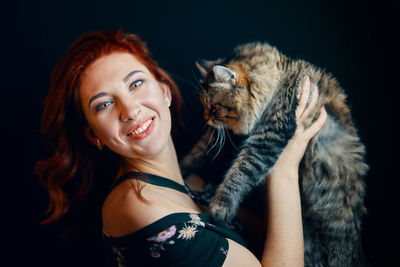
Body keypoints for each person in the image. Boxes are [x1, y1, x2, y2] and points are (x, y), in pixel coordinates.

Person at [36, 29, 327, 266]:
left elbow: (272, 239)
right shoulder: (137, 208)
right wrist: (282, 164)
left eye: (135, 84)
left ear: (164, 91)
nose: (130, 110)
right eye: (104, 104)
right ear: (94, 135)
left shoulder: (192, 184)